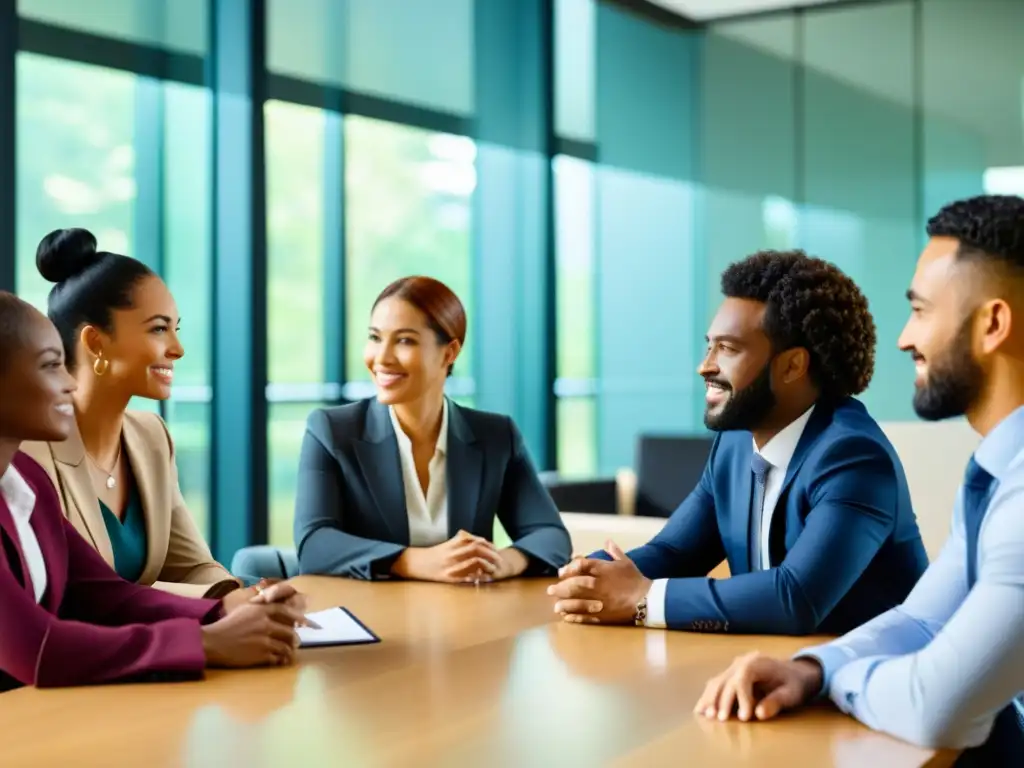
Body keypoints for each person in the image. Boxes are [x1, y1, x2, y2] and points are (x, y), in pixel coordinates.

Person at [693, 195, 1024, 766]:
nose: (903, 338)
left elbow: (934, 705)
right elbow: (923, 618)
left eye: (920, 311)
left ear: (992, 324)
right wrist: (809, 670)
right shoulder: (995, 471)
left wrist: (835, 683)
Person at [548, 251, 928, 634]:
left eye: (728, 349)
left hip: (870, 674)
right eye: (708, 346)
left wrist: (643, 599)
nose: (706, 365)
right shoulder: (733, 445)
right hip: (774, 667)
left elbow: (794, 598)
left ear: (793, 365)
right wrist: (589, 576)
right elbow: (675, 552)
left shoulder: (852, 456)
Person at [0, 291, 308, 692]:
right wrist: (207, 644)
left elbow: (101, 594)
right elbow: (37, 650)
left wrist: (222, 609)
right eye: (51, 366)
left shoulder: (24, 478)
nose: (69, 383)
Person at [234, 276, 571, 583]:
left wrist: (501, 561)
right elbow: (315, 543)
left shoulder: (496, 436)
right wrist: (418, 562)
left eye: (405, 341)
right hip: (371, 629)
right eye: (375, 338)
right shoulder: (332, 431)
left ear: (449, 353)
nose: (382, 358)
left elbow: (551, 536)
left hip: (466, 625)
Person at [19, 228, 240, 599]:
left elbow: (192, 566)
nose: (178, 349)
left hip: (158, 645)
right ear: (95, 342)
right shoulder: (30, 451)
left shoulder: (152, 435)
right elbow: (76, 599)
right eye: (159, 329)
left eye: (176, 329)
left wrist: (240, 599)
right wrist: (214, 614)